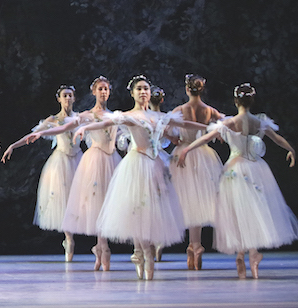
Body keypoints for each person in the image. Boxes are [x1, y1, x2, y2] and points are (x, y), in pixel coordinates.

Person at [71, 75, 209, 280]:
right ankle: (139, 252)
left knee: (153, 209)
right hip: (136, 165)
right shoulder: (129, 116)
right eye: (139, 89)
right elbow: (106, 122)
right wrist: (84, 127)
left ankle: (147, 253)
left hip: (155, 167)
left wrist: (215, 127)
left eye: (146, 88)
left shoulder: (159, 117)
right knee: (137, 208)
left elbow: (187, 123)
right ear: (133, 93)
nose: (143, 92)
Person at [176, 83, 298, 279]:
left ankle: (241, 254)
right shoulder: (259, 123)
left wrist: (186, 149)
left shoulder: (229, 123)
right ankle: (253, 254)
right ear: (251, 101)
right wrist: (291, 150)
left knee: (238, 212)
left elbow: (206, 137)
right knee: (254, 211)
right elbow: (277, 139)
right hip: (255, 170)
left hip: (233, 171)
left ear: (236, 102)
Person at [21, 76, 120, 270]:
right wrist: (40, 133)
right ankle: (102, 247)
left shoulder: (116, 115)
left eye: (106, 89)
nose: (103, 92)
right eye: (100, 89)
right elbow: (65, 127)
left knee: (110, 201)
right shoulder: (85, 115)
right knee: (97, 202)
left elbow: (129, 129)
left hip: (112, 160)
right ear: (94, 92)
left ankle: (102, 246)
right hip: (94, 161)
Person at [1, 85, 83, 261]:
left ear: (74, 98)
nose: (68, 98)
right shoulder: (53, 119)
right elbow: (33, 135)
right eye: (64, 95)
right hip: (61, 161)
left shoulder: (80, 118)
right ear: (59, 99)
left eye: (70, 95)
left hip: (78, 159)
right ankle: (69, 240)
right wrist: (13, 145)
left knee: (81, 198)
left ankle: (86, 238)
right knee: (63, 200)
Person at [169, 74, 224, 270]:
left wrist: (175, 139)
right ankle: (197, 245)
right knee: (199, 200)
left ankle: (192, 246)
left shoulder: (180, 110)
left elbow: (166, 127)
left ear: (186, 89)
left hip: (184, 154)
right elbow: (225, 124)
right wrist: (218, 134)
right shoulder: (210, 111)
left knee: (188, 200)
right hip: (204, 155)